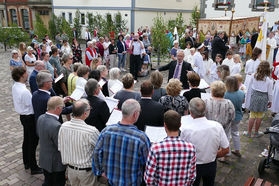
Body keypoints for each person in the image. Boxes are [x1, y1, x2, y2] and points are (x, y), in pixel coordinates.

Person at [93, 99, 151, 185]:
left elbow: (97, 153)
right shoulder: (141, 138)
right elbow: (147, 163)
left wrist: (100, 172)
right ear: (135, 114)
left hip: (111, 181)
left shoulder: (106, 131)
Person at [180, 98, 229, 186]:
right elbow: (226, 149)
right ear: (205, 110)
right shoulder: (217, 126)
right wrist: (213, 155)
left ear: (190, 112)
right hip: (211, 164)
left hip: (192, 165)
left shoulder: (185, 129)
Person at [144, 110, 196, 185]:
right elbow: (192, 176)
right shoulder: (191, 148)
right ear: (180, 125)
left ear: (165, 125)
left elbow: (148, 179)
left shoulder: (155, 148)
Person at [58, 99, 100, 185]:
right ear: (85, 113)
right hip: (86, 172)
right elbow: (100, 149)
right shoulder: (91, 131)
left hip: (70, 170)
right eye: (89, 109)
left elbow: (60, 147)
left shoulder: (63, 126)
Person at [11, 67, 42, 175]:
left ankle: (27, 162)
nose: (27, 73)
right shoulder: (24, 91)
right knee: (32, 142)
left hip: (23, 116)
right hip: (29, 117)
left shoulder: (16, 86)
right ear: (22, 76)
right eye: (25, 73)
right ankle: (33, 166)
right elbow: (31, 105)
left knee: (27, 140)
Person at [37, 96, 66, 186]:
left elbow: (39, 134)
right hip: (55, 163)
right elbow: (60, 146)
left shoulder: (40, 117)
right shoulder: (56, 125)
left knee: (48, 181)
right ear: (57, 108)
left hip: (44, 159)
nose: (62, 110)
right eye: (62, 108)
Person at [205, 81, 235, 157]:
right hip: (224, 127)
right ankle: (224, 155)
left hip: (210, 128)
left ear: (212, 91)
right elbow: (232, 116)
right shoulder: (229, 103)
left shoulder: (206, 101)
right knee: (225, 140)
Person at [244, 61, 272, 137]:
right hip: (263, 97)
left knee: (252, 115)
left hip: (254, 96)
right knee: (260, 115)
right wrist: (270, 101)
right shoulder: (269, 79)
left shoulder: (253, 76)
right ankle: (256, 132)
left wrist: (247, 97)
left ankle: (249, 132)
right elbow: (270, 92)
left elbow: (249, 87)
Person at [224, 76, 245, 158]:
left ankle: (227, 153)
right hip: (238, 116)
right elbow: (243, 101)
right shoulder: (241, 93)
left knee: (227, 135)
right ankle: (237, 150)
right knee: (235, 133)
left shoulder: (225, 94)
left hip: (228, 117)